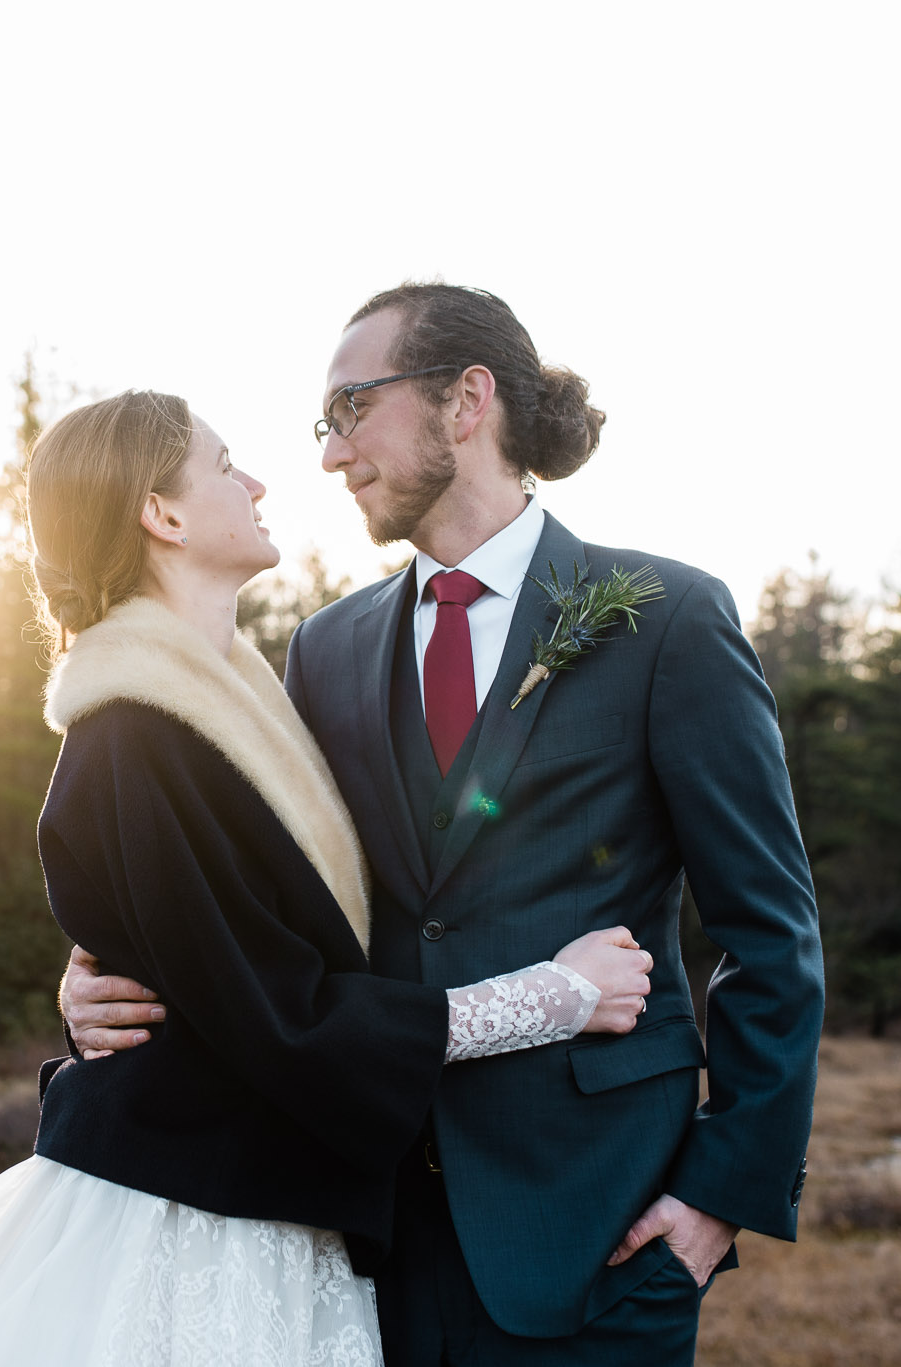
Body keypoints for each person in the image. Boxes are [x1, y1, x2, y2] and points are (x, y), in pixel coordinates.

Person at [0, 389, 658, 1367]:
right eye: (222, 464)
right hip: (190, 1218)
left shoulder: (237, 708)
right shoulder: (131, 731)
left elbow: (226, 953)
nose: (254, 481)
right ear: (160, 514)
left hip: (268, 1196)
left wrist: (111, 978)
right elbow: (275, 1012)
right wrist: (554, 996)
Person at [61, 284, 826, 1367]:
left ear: (465, 401)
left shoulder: (669, 619)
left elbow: (768, 931)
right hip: (363, 1232)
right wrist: (102, 976)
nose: (329, 455)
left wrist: (717, 1194)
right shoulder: (321, 650)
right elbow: (252, 892)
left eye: (347, 409)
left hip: (602, 1230)